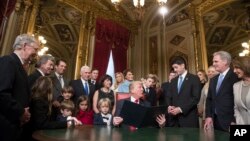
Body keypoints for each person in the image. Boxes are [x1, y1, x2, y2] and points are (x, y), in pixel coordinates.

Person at [0, 34, 39, 141]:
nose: (36, 54)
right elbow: (2, 93)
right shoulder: (8, 61)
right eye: (35, 49)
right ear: (25, 45)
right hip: (5, 126)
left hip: (14, 125)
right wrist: (21, 112)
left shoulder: (19, 66)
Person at [204, 51, 239, 132]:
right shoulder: (213, 80)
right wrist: (208, 116)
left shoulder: (235, 77)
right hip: (215, 121)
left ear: (225, 61)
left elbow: (237, 101)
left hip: (231, 121)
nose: (213, 64)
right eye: (213, 61)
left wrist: (234, 120)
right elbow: (209, 99)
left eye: (216, 61)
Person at [166, 56, 201, 128]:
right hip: (174, 120)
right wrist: (169, 106)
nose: (174, 70)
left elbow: (195, 98)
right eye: (173, 68)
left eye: (176, 67)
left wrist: (180, 109)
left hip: (189, 119)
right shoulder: (173, 81)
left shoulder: (194, 78)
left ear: (183, 65)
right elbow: (169, 96)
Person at [232, 57, 250, 124]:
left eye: (237, 68)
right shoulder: (236, 86)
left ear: (245, 66)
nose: (234, 71)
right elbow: (236, 108)